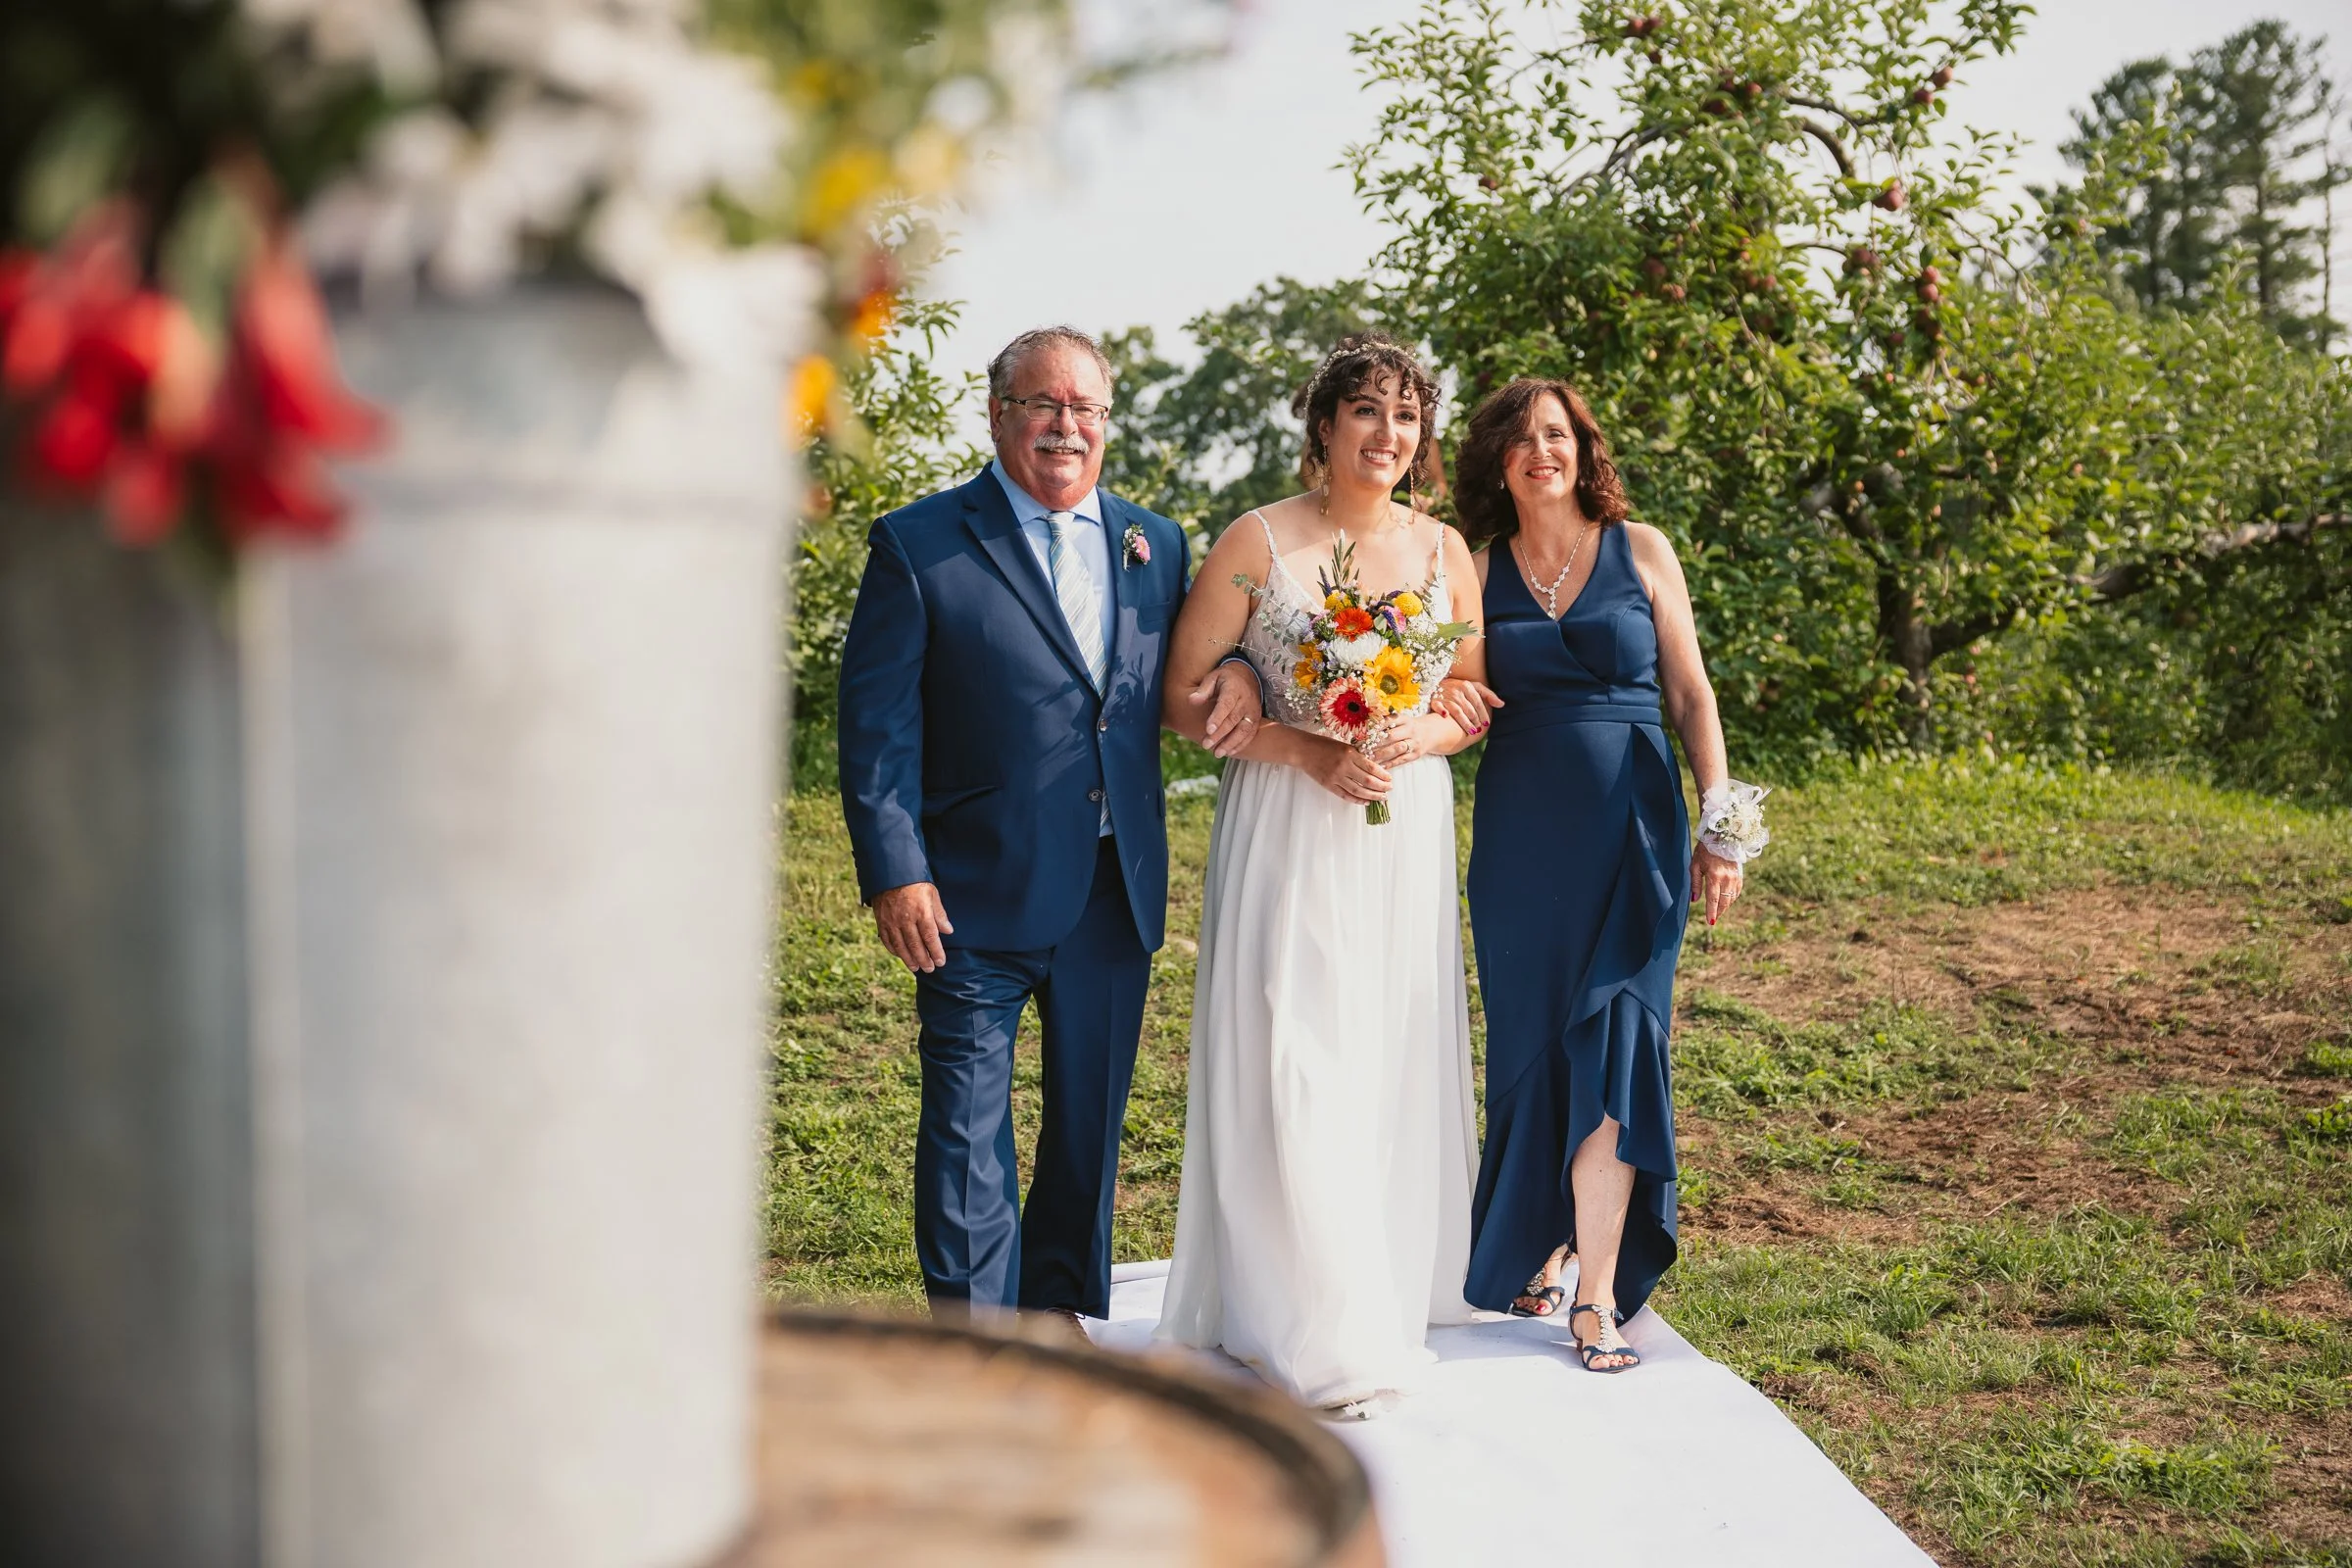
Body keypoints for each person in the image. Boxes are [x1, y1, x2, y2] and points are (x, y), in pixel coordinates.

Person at [836, 325, 1262, 1327]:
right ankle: (977, 1342)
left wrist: (1242, 670)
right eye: (1043, 404)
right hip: (969, 889)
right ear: (999, 416)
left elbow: (1190, 667)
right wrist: (896, 869)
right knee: (965, 1128)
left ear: (1108, 421)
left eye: (1086, 408)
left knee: (1087, 1130)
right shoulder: (919, 543)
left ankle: (1054, 1321)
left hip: (1114, 889)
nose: (1066, 426)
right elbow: (877, 727)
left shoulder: (1156, 543)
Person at [1153, 333, 1485, 1418]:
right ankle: (1308, 1317)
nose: (1389, 434)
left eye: (1407, 415)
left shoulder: (1445, 549)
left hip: (1401, 827)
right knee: (1295, 1045)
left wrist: (1418, 737)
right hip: (1290, 818)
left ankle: (1378, 1280)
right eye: (1367, 411)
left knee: (1384, 1047)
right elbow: (1182, 697)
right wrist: (1304, 746)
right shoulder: (1256, 540)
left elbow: (1469, 697)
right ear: (1326, 425)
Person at [1433, 376, 1752, 1374]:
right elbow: (1449, 693)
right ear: (1497, 460)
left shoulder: (1640, 548)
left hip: (1636, 832)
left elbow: (1691, 694)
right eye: (1522, 437)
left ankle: (1598, 1293)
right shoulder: (1474, 569)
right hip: (1521, 842)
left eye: (1558, 434)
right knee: (1532, 1048)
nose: (1543, 451)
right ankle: (1545, 1241)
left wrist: (1722, 823)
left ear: (1583, 448)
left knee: (1618, 1042)